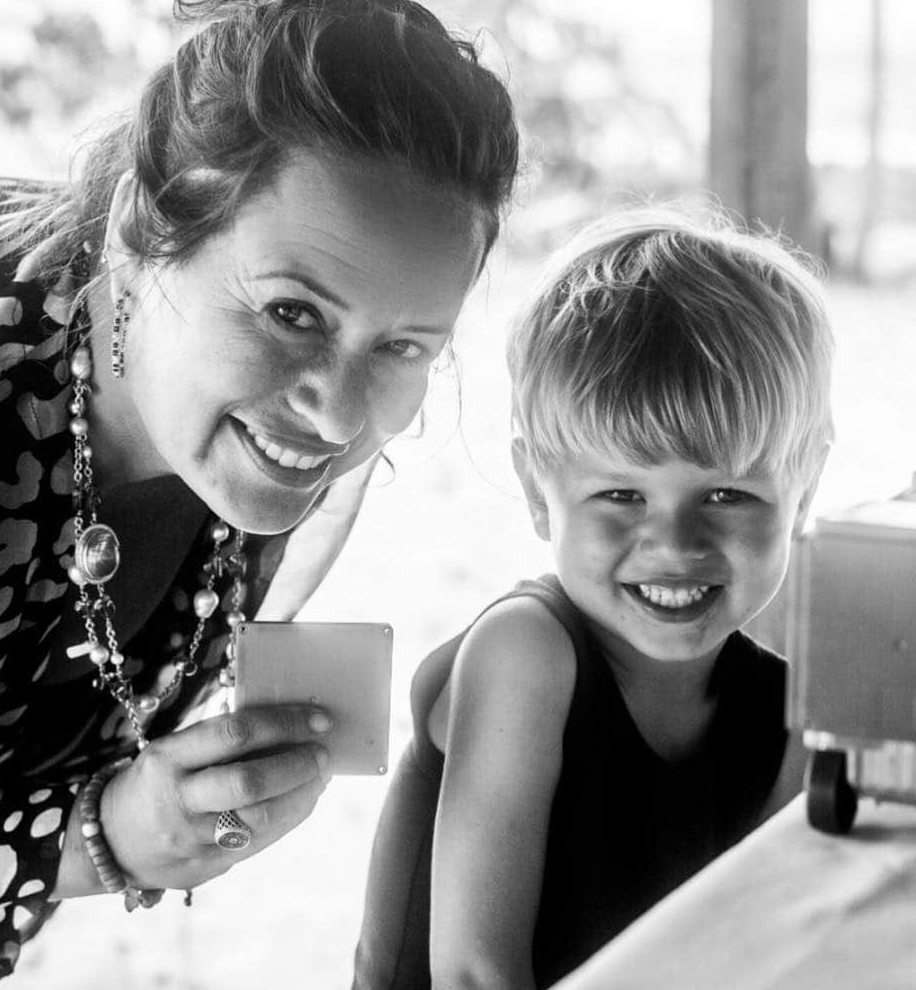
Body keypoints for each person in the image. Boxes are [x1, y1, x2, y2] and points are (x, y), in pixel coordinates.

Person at [0, 0, 519, 988]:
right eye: (292, 313)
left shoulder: (266, 430)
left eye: (405, 346)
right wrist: (96, 840)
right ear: (139, 232)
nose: (336, 411)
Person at [353, 210, 834, 990]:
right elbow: (474, 972)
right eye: (621, 494)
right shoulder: (526, 653)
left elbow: (773, 951)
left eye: (727, 494)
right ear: (539, 494)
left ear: (802, 490)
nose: (676, 543)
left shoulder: (796, 703)